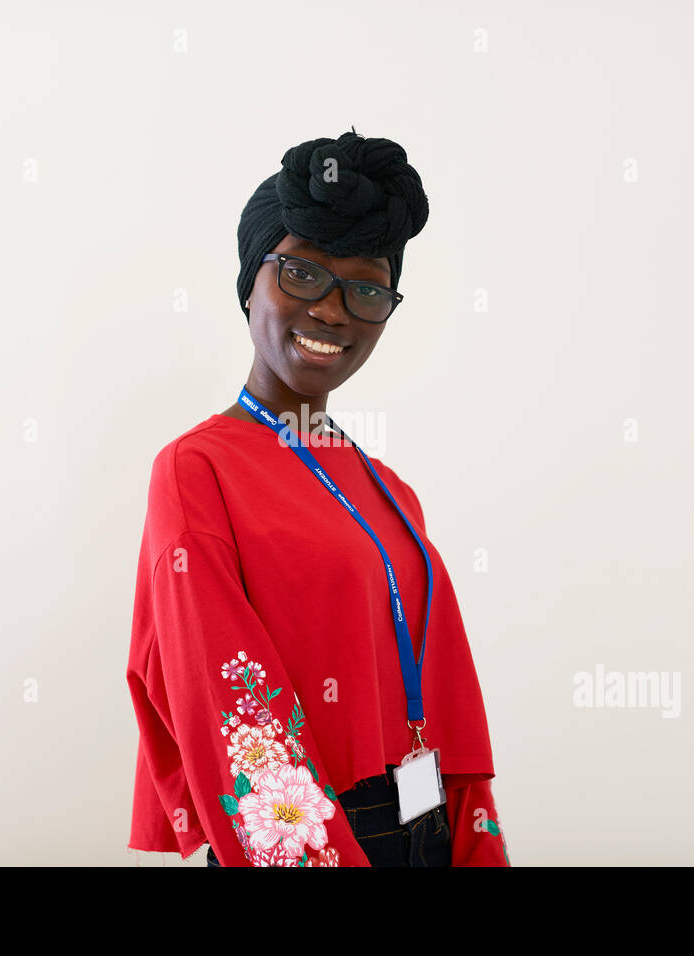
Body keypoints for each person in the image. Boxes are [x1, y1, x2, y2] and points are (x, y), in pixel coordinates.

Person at [125, 129, 510, 867]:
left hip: (425, 826)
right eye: (301, 273)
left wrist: (473, 840)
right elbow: (230, 706)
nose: (333, 311)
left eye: (365, 287)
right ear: (250, 283)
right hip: (307, 840)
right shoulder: (196, 470)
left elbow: (443, 698)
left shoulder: (388, 489)